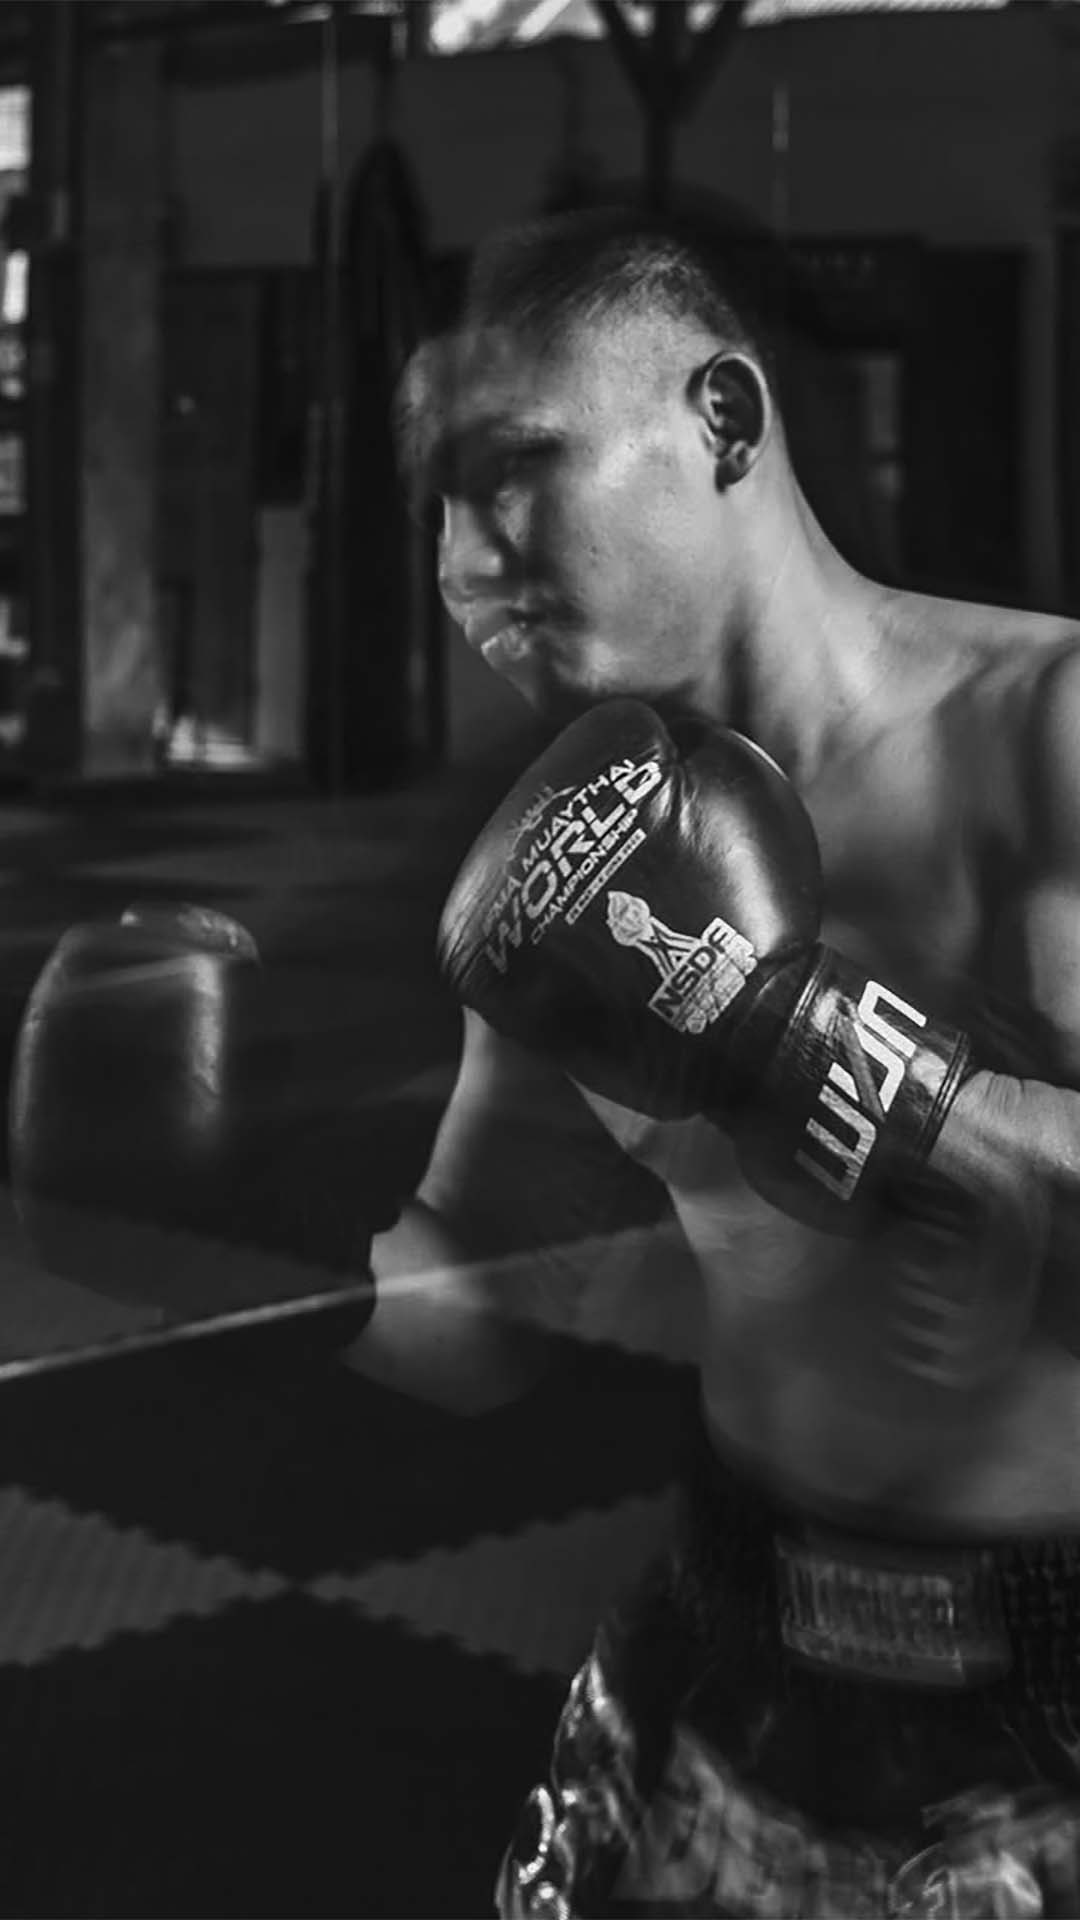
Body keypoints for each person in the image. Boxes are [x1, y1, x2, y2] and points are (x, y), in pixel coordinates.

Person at [348, 202, 1080, 1915]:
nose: (460, 562)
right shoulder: (572, 863)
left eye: (511, 467)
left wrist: (888, 1084)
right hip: (742, 1664)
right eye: (435, 511)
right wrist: (268, 1221)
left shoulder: (1043, 733)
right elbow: (469, 1305)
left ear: (724, 424)